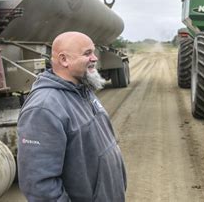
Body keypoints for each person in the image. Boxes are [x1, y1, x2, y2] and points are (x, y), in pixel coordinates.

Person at [17, 31, 127, 201]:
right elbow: (39, 186)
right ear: (63, 59)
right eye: (87, 53)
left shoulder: (82, 90)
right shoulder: (44, 108)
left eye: (93, 51)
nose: (95, 58)